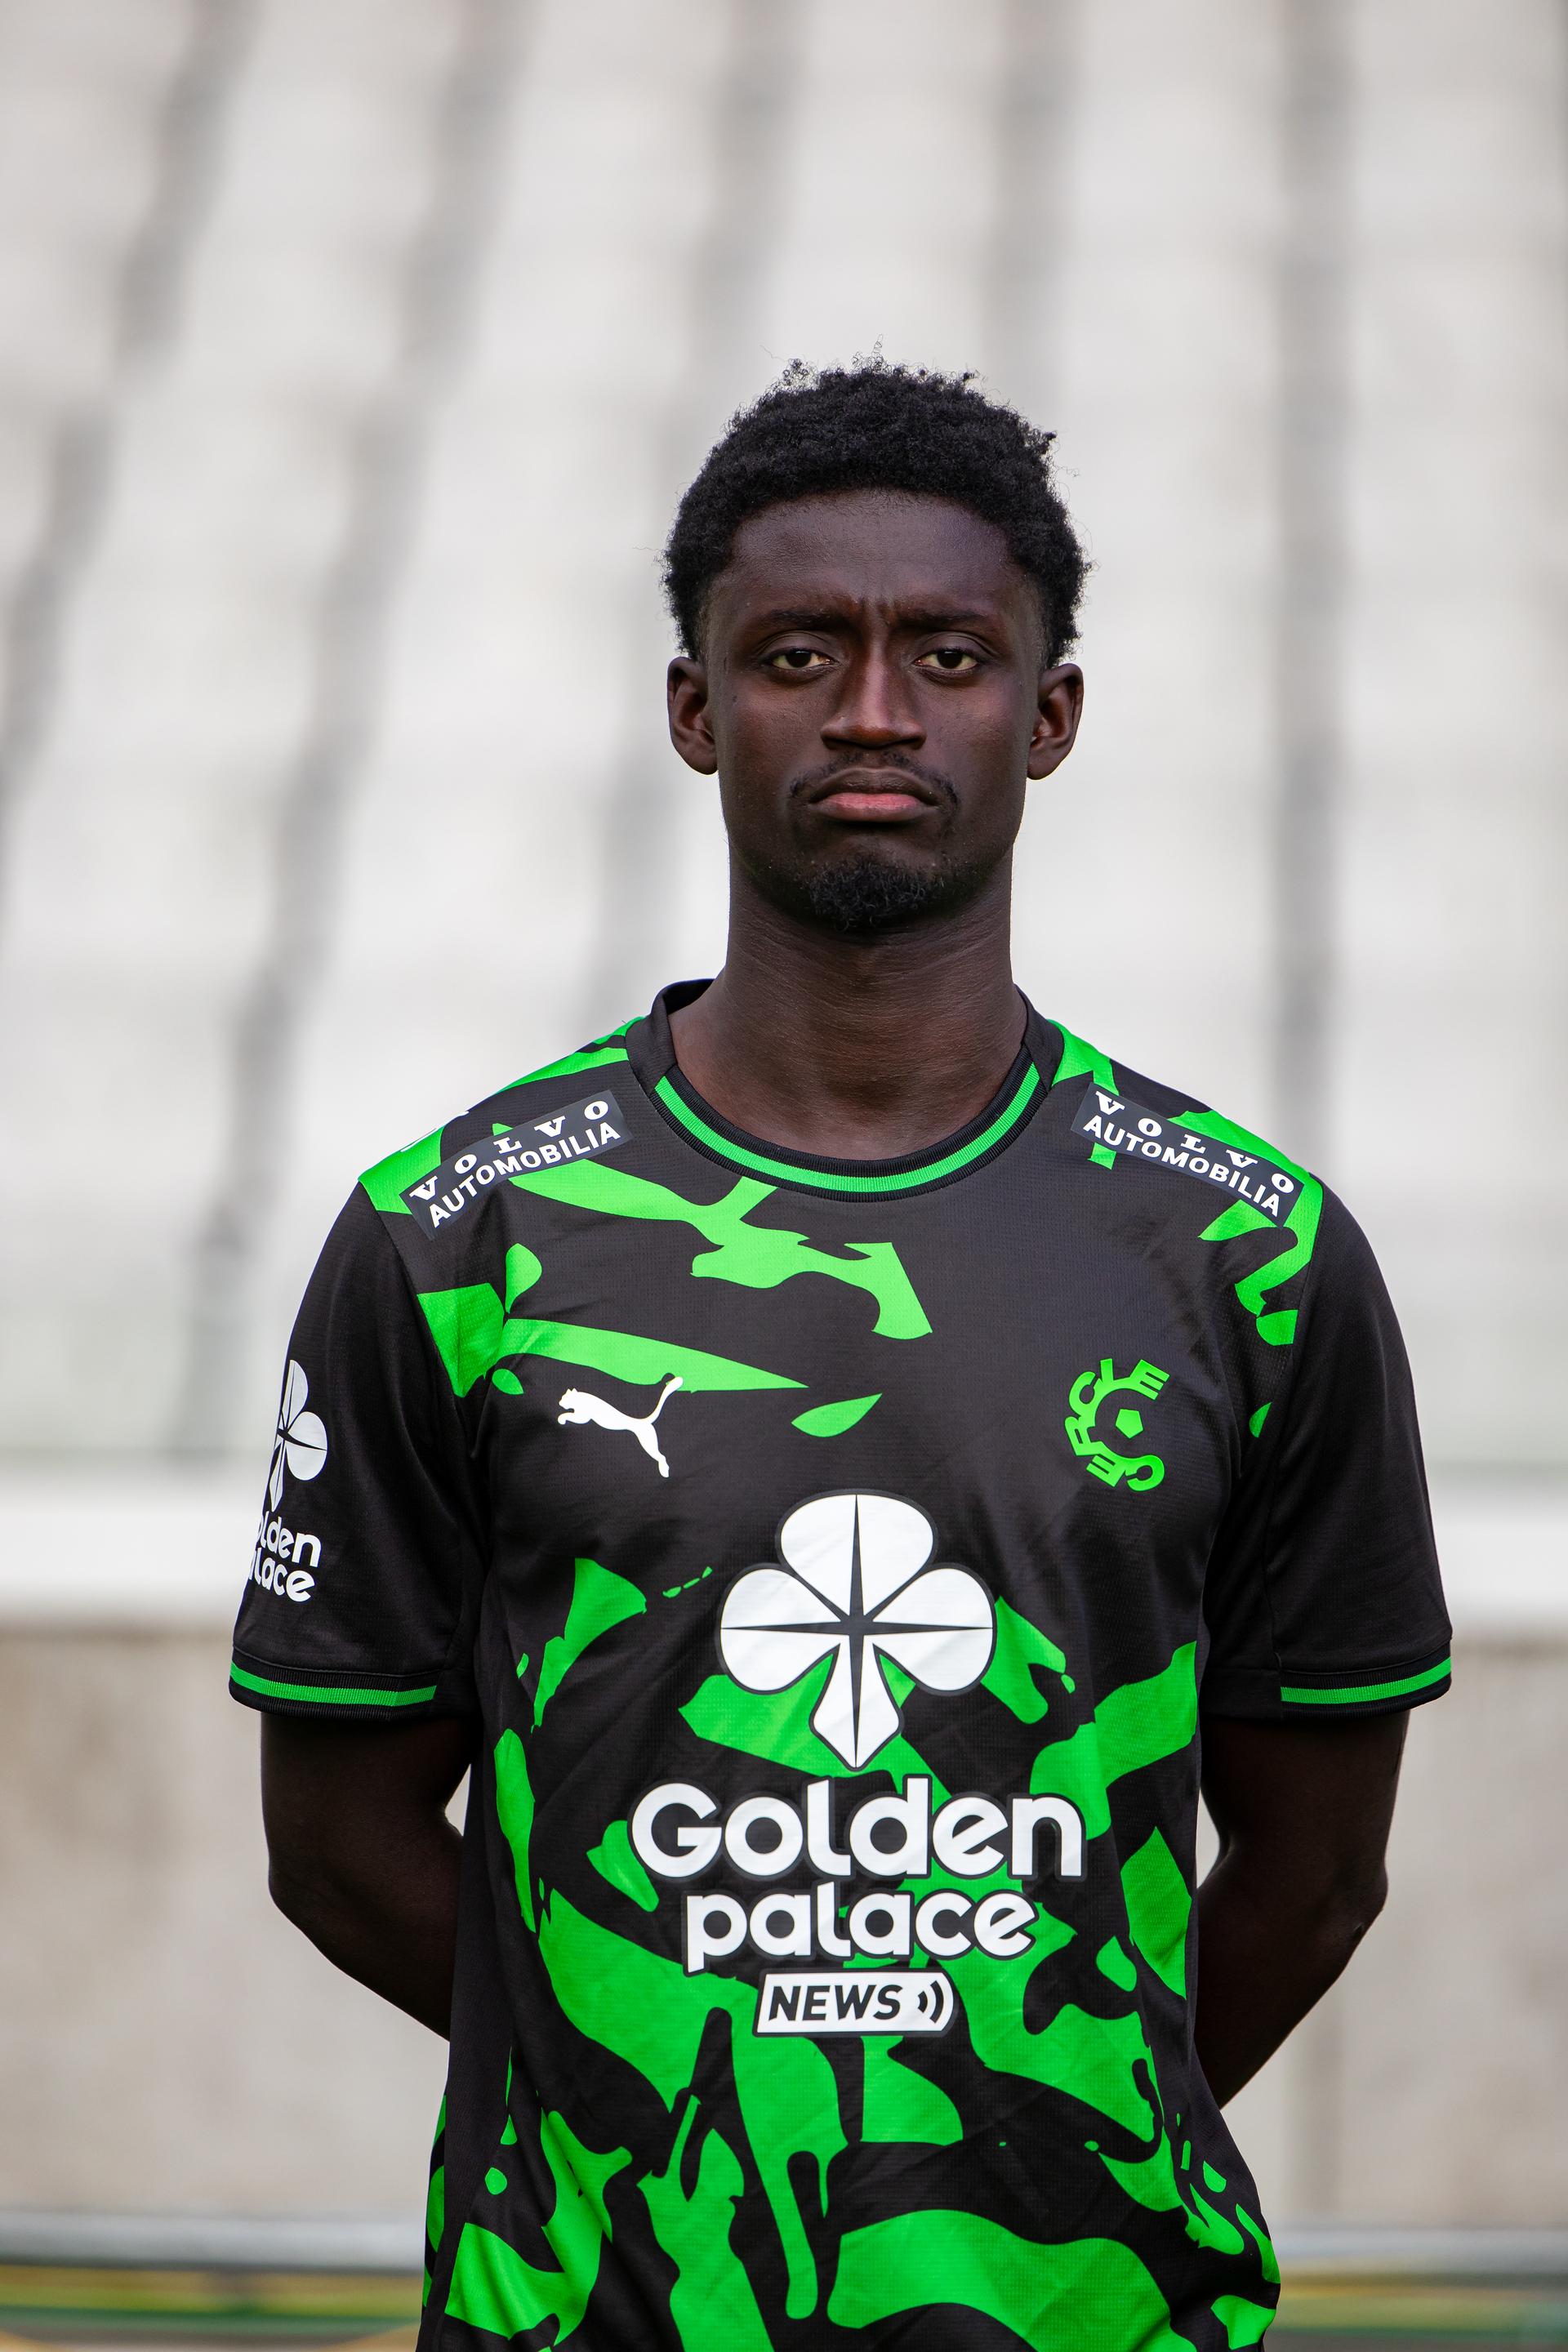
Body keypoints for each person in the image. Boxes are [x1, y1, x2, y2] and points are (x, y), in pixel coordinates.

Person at [236, 362, 1450, 2351]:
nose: (874, 711)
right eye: (800, 652)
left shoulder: (1248, 1250)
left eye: (947, 654)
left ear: (1046, 716)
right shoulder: (458, 1230)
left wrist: (1047, 2151)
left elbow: (1316, 1876)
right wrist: (637, 2108)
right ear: (695, 709)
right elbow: (338, 1846)